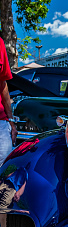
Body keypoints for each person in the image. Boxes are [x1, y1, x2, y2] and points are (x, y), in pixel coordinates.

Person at [0, 37, 15, 165]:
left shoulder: (0, 43)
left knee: (5, 167)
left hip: (1, 121)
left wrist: (11, 121)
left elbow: (3, 83)